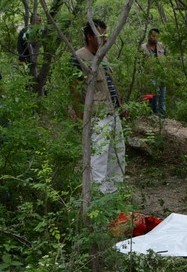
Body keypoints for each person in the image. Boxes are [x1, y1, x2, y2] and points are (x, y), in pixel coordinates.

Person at [71, 19, 127, 194]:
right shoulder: (79, 58)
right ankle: (99, 198)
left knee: (117, 156)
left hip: (113, 114)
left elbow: (111, 84)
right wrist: (82, 115)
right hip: (97, 117)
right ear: (90, 36)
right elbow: (74, 89)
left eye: (105, 33)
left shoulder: (104, 56)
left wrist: (122, 105)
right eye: (101, 34)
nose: (105, 37)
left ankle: (115, 196)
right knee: (99, 160)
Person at [141, 28, 168, 118]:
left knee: (162, 98)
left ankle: (162, 118)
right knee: (152, 98)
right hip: (150, 76)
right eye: (153, 36)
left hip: (162, 75)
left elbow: (167, 58)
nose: (154, 38)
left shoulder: (162, 46)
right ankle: (153, 117)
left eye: (156, 36)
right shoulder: (143, 47)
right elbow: (140, 63)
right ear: (148, 36)